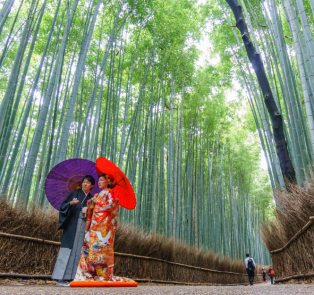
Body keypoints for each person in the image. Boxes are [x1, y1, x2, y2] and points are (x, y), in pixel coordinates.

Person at [74, 173, 134, 282]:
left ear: (108, 182)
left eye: (101, 180)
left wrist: (99, 202)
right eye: (99, 180)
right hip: (93, 225)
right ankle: (86, 272)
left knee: (101, 250)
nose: (99, 182)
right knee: (87, 247)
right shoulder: (98, 194)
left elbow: (112, 206)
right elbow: (94, 209)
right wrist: (90, 206)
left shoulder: (110, 193)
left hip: (102, 227)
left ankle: (101, 274)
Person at [52, 175, 95, 286]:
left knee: (79, 252)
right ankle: (60, 278)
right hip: (72, 226)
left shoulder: (91, 199)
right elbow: (63, 207)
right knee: (67, 250)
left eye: (88, 182)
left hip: (84, 228)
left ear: (92, 186)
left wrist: (89, 209)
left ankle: (73, 277)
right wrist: (70, 203)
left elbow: (95, 215)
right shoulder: (74, 194)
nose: (85, 184)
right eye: (84, 182)